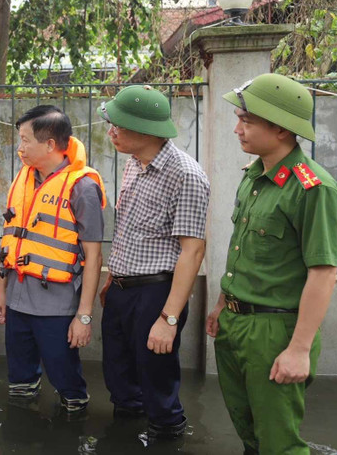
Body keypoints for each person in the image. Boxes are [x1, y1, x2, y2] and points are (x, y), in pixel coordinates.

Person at [206, 74, 337, 455]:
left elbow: (323, 272)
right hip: (236, 323)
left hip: (274, 330)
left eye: (246, 121)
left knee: (279, 442)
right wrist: (221, 304)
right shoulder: (254, 177)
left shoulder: (313, 189)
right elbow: (242, 250)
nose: (237, 129)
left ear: (281, 128)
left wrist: (298, 348)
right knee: (249, 432)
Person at [99, 85, 209, 440]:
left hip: (156, 294)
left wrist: (169, 318)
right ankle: (125, 437)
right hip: (120, 290)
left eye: (117, 124)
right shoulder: (134, 164)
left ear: (145, 130)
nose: (110, 131)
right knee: (118, 377)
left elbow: (192, 252)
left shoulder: (186, 175)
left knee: (157, 385)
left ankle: (167, 436)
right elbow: (129, 228)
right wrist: (112, 277)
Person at [0, 105, 105, 415]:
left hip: (57, 306)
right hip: (17, 301)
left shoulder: (83, 188)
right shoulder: (23, 180)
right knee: (19, 383)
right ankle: (21, 435)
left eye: (26, 140)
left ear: (51, 144)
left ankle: (72, 430)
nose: (20, 148)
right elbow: (10, 240)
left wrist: (84, 316)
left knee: (67, 383)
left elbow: (94, 258)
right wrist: (1, 293)